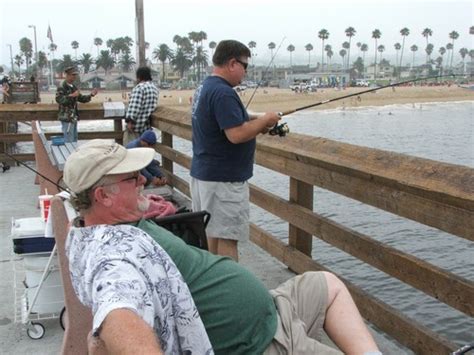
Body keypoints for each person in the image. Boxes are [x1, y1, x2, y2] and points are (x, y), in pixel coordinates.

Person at [63, 139, 381, 355]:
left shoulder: (102, 223)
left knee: (327, 284)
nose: (144, 180)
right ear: (103, 196)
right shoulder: (113, 257)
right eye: (133, 178)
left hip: (272, 308)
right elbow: (118, 306)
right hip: (260, 343)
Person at [190, 40, 281, 261]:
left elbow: (223, 119)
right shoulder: (223, 93)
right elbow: (236, 134)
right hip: (224, 180)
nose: (245, 72)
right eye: (244, 65)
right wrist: (267, 120)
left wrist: (258, 120)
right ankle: (232, 291)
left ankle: (213, 285)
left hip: (205, 174)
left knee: (212, 233)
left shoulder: (205, 87)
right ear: (232, 63)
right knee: (228, 239)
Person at [55, 66, 98, 142]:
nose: (74, 77)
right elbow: (59, 99)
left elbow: (81, 98)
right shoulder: (62, 86)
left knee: (74, 139)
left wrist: (91, 95)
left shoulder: (73, 87)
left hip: (73, 117)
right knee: (68, 139)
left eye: (75, 75)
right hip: (66, 117)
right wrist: (71, 96)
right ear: (67, 75)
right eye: (72, 75)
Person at [125, 66, 159, 138]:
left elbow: (134, 107)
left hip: (136, 128)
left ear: (139, 77)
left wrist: (129, 122)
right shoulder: (154, 88)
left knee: (130, 148)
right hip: (146, 128)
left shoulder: (139, 88)